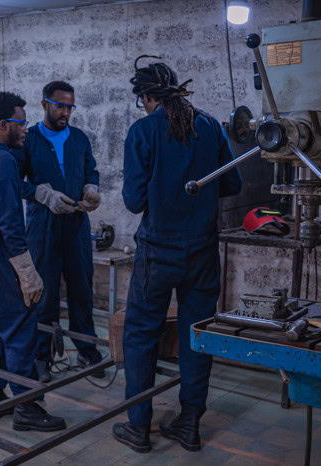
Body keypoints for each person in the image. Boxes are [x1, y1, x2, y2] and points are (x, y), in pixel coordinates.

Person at [112, 56, 243, 453]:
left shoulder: (143, 131)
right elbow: (232, 183)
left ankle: (139, 425)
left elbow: (134, 201)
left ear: (148, 96)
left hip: (158, 252)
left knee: (140, 335)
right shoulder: (208, 127)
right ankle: (189, 423)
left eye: (144, 101)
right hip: (202, 250)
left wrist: (160, 188)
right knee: (197, 334)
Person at [0, 91, 66, 432]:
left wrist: (35, 190)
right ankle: (27, 407)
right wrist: (26, 270)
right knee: (20, 330)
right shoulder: (4, 161)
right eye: (21, 124)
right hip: (0, 263)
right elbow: (8, 222)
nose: (26, 130)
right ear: (3, 125)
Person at [14, 81, 104, 383]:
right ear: (44, 105)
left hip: (77, 223)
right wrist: (41, 194)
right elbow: (16, 181)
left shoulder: (79, 138)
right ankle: (41, 355)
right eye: (60, 106)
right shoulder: (30, 140)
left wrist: (92, 186)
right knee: (44, 290)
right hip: (43, 226)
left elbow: (91, 169)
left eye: (70, 106)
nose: (65, 112)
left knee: (81, 288)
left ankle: (86, 348)